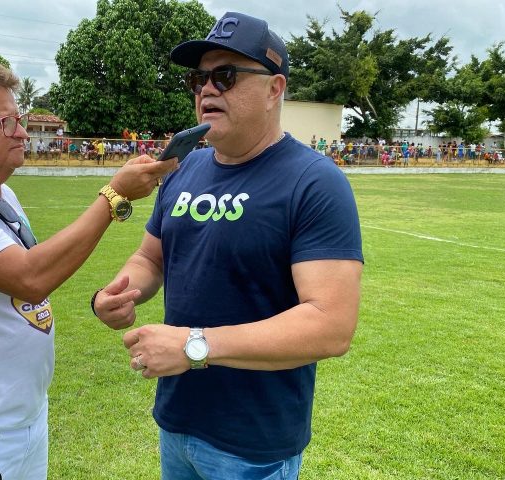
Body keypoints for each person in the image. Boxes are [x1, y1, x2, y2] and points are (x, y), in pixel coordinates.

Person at [92, 12, 363, 480]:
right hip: (177, 421)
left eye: (226, 76)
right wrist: (121, 291)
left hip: (253, 444)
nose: (207, 90)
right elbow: (151, 256)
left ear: (275, 89)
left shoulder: (315, 182)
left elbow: (331, 325)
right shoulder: (185, 169)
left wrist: (194, 346)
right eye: (199, 79)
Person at [0, 56, 176, 480]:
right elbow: (30, 278)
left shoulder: (0, 195)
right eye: (4, 123)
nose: (21, 132)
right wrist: (113, 196)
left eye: (18, 119)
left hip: (20, 422)